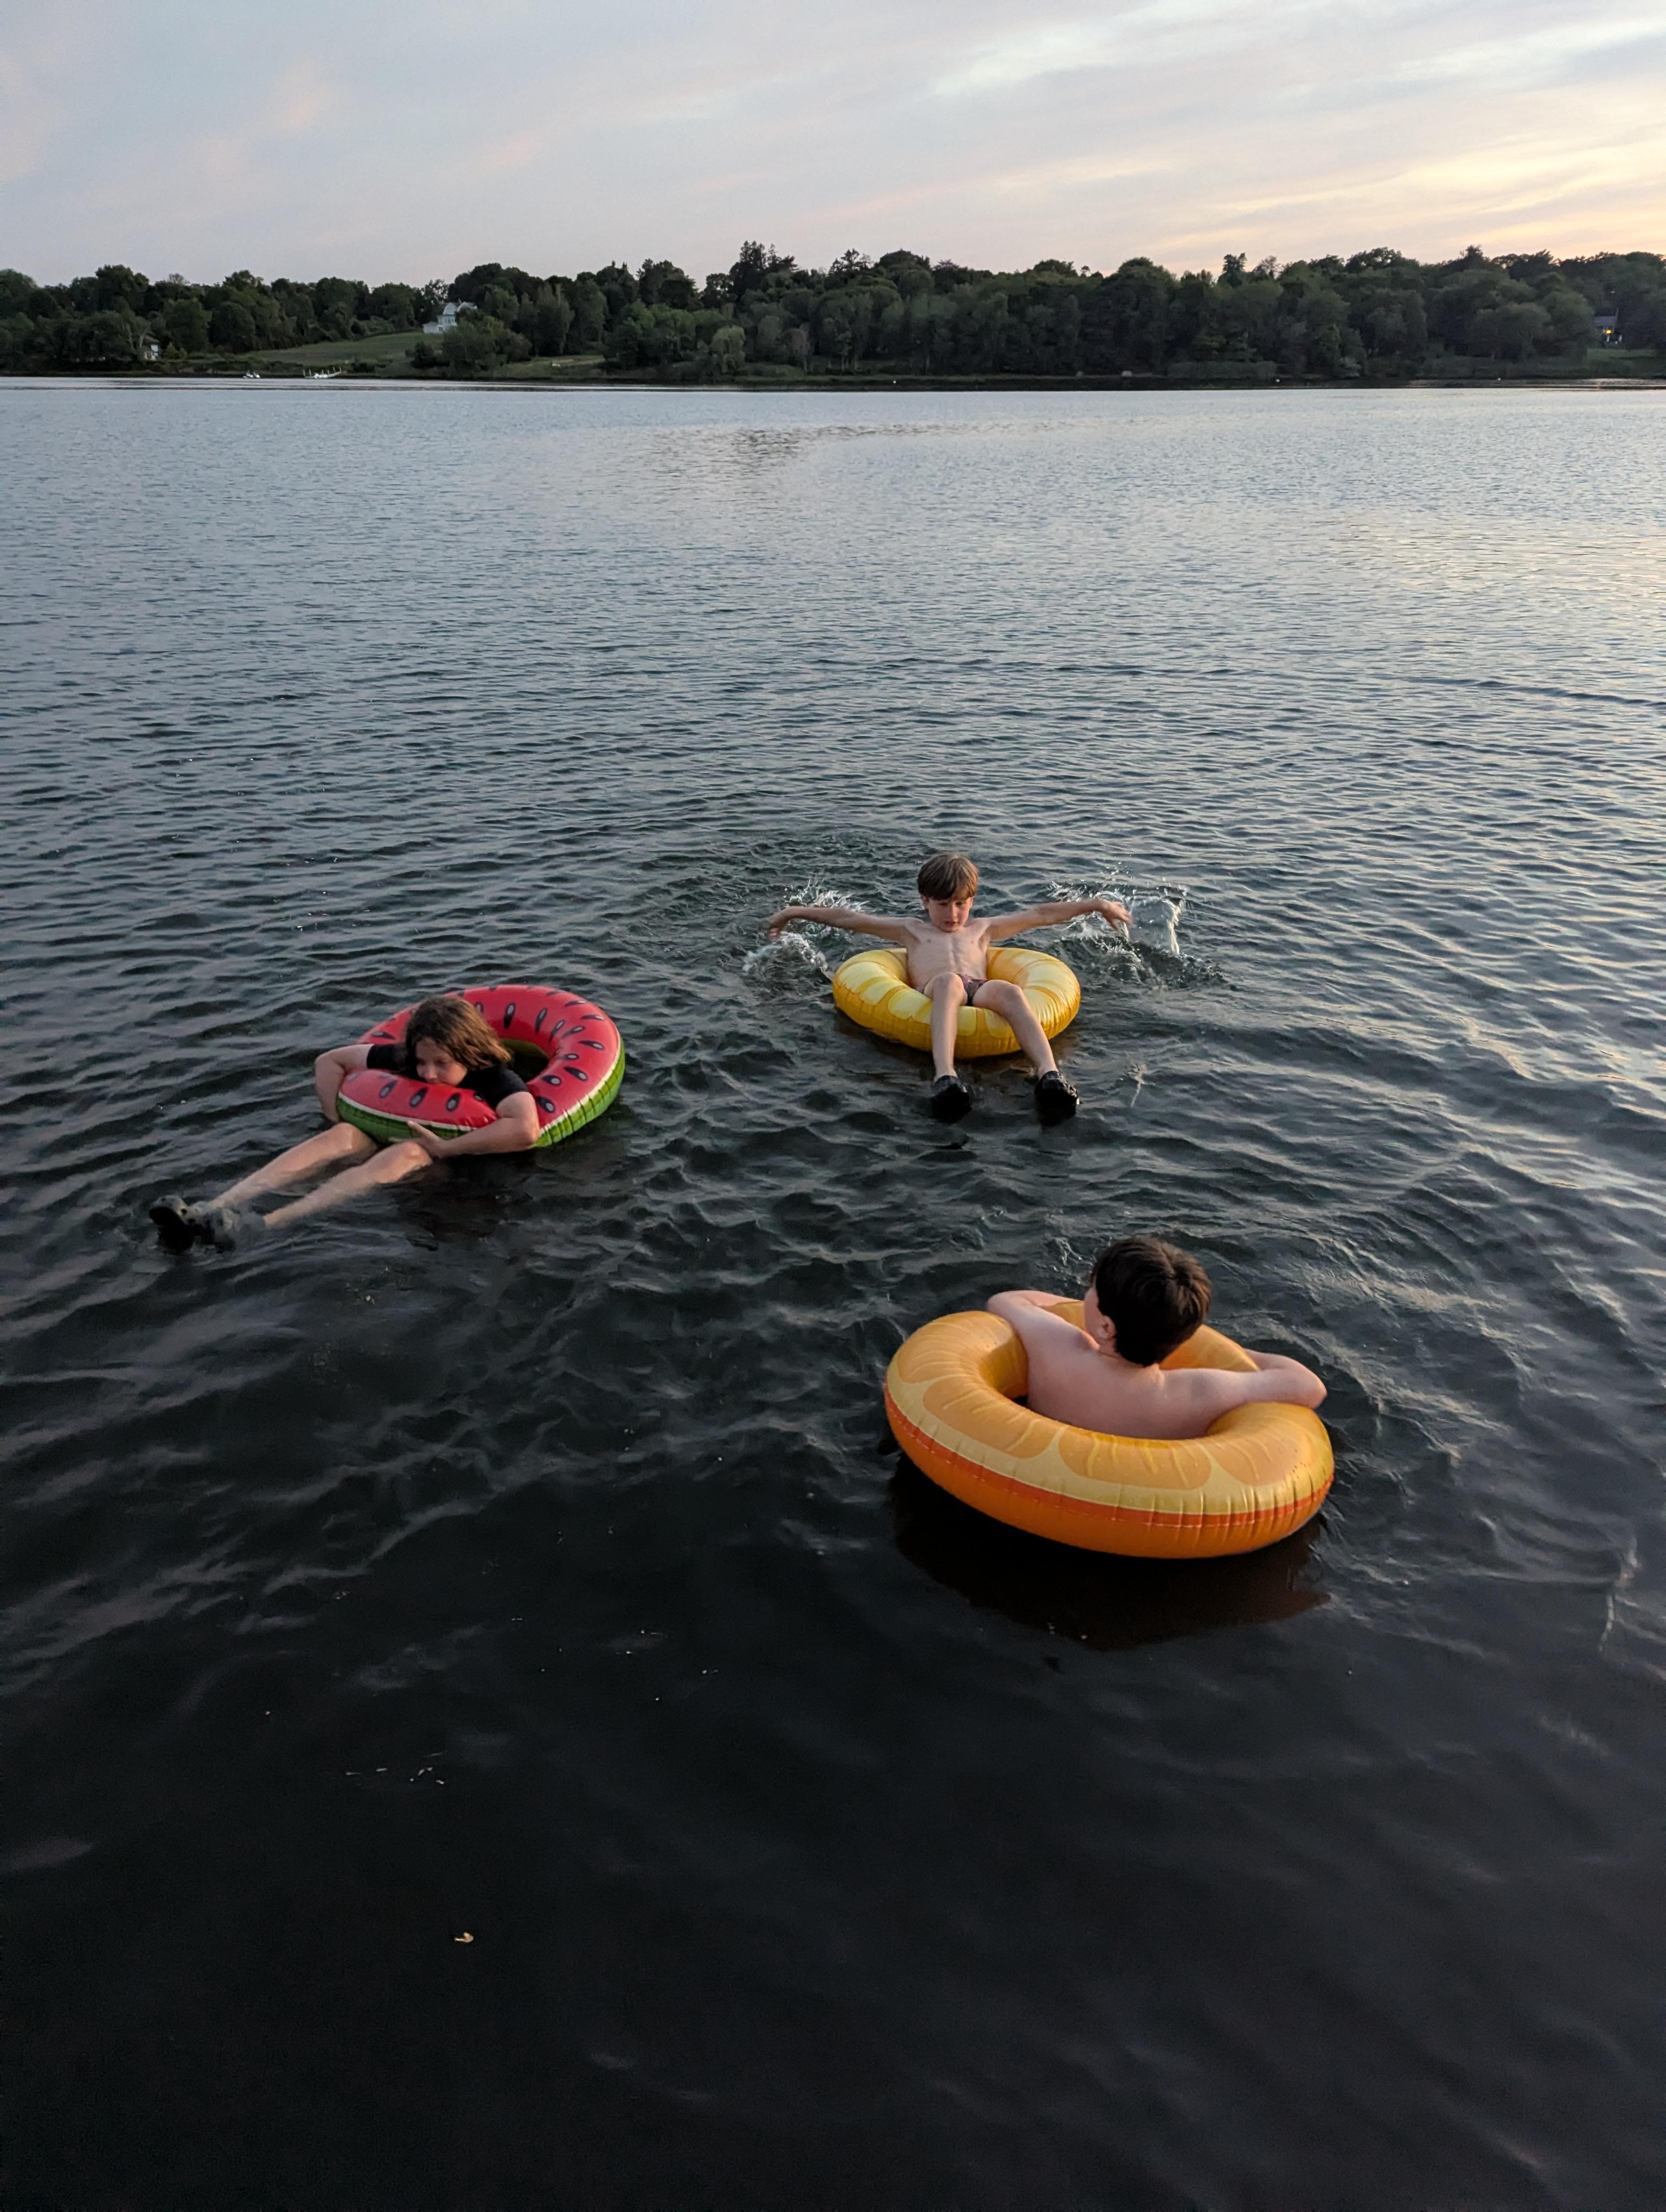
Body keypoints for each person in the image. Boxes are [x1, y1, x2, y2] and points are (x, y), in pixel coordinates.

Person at [149, 994, 540, 1249]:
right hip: (385, 1142)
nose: (428, 1074)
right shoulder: (407, 1059)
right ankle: (211, 1208)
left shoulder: (494, 1076)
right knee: (346, 1135)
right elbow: (330, 1061)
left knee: (411, 1150)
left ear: (469, 1053)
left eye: (442, 1064)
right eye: (422, 1061)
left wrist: (445, 1148)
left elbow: (525, 1129)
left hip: (452, 1172)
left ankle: (265, 1224)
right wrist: (336, 1115)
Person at [767, 852, 1131, 1121]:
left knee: (1010, 991)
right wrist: (792, 913)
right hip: (935, 990)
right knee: (949, 983)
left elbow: (1040, 915)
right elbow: (849, 920)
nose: (953, 914)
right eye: (943, 905)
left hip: (979, 988)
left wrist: (1097, 905)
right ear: (925, 901)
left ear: (972, 901)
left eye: (961, 904)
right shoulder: (910, 930)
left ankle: (1048, 1074)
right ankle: (946, 1075)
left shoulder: (983, 929)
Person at [986, 1233, 1327, 1441]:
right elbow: (1309, 1386)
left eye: (1092, 1290)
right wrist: (1243, 1355)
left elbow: (1006, 1301)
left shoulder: (1057, 1346)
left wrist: (1073, 1310)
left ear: (1106, 1327)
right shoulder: (1196, 1391)